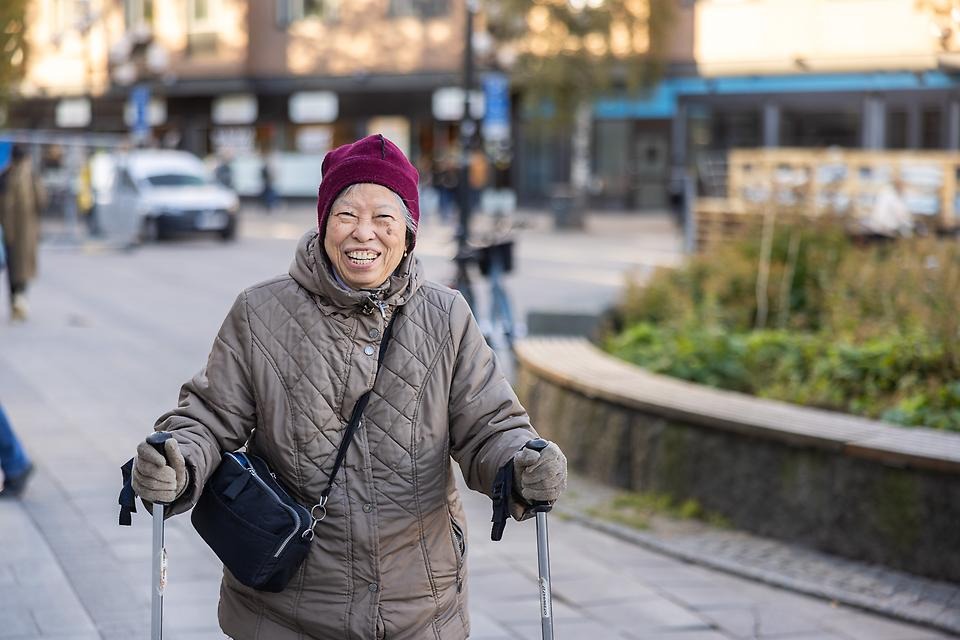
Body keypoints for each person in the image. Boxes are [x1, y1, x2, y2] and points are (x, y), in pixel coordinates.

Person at [130, 134, 567, 640]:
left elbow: (490, 424)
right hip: (285, 611)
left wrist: (521, 463)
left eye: (384, 218)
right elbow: (207, 417)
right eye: (346, 216)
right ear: (322, 224)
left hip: (421, 608)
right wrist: (178, 460)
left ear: (408, 232)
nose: (365, 235)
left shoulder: (446, 316)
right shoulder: (260, 312)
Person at [0, 145, 45, 321]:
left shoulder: (5, 176)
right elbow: (42, 200)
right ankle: (21, 299)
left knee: (13, 268)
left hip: (9, 230)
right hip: (27, 231)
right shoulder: (32, 176)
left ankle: (15, 301)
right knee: (23, 267)